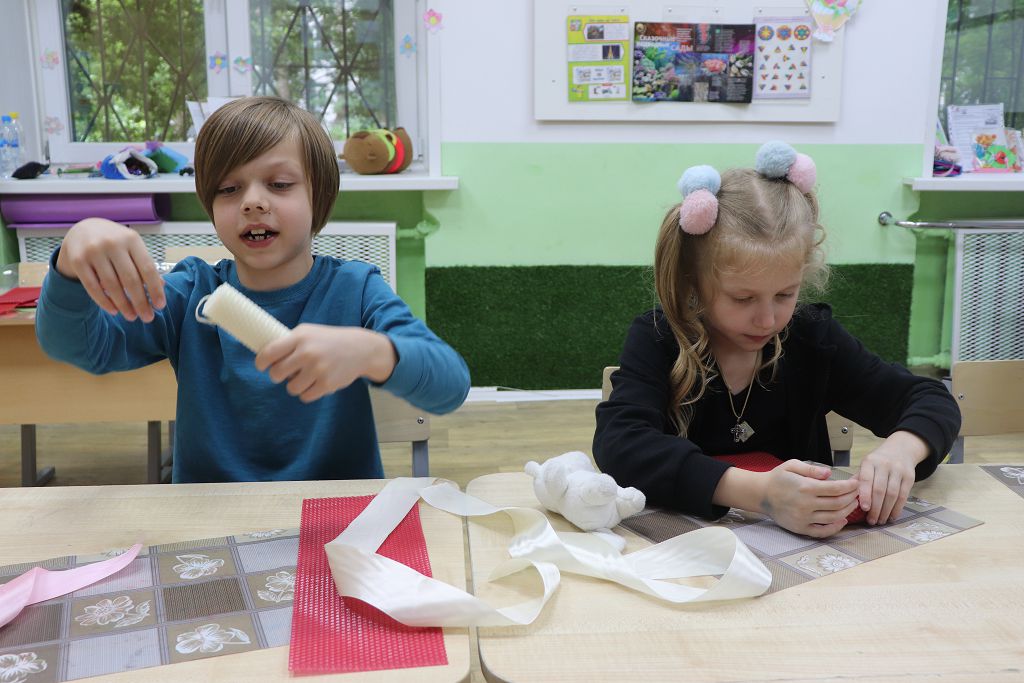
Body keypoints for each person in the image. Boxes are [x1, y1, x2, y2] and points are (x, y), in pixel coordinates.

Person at [36, 96, 470, 483]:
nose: (252, 202)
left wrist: (373, 352)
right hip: (212, 522)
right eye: (228, 189)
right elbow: (79, 347)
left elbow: (449, 385)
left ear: (319, 196)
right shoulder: (189, 293)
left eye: (279, 184)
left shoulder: (356, 290)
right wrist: (70, 262)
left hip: (334, 521)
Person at [593, 141, 960, 538]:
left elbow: (929, 399)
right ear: (692, 282)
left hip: (810, 553)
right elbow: (621, 444)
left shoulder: (811, 337)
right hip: (689, 549)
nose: (768, 319)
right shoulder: (659, 339)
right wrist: (762, 494)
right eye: (743, 298)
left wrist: (902, 449)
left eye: (785, 294)